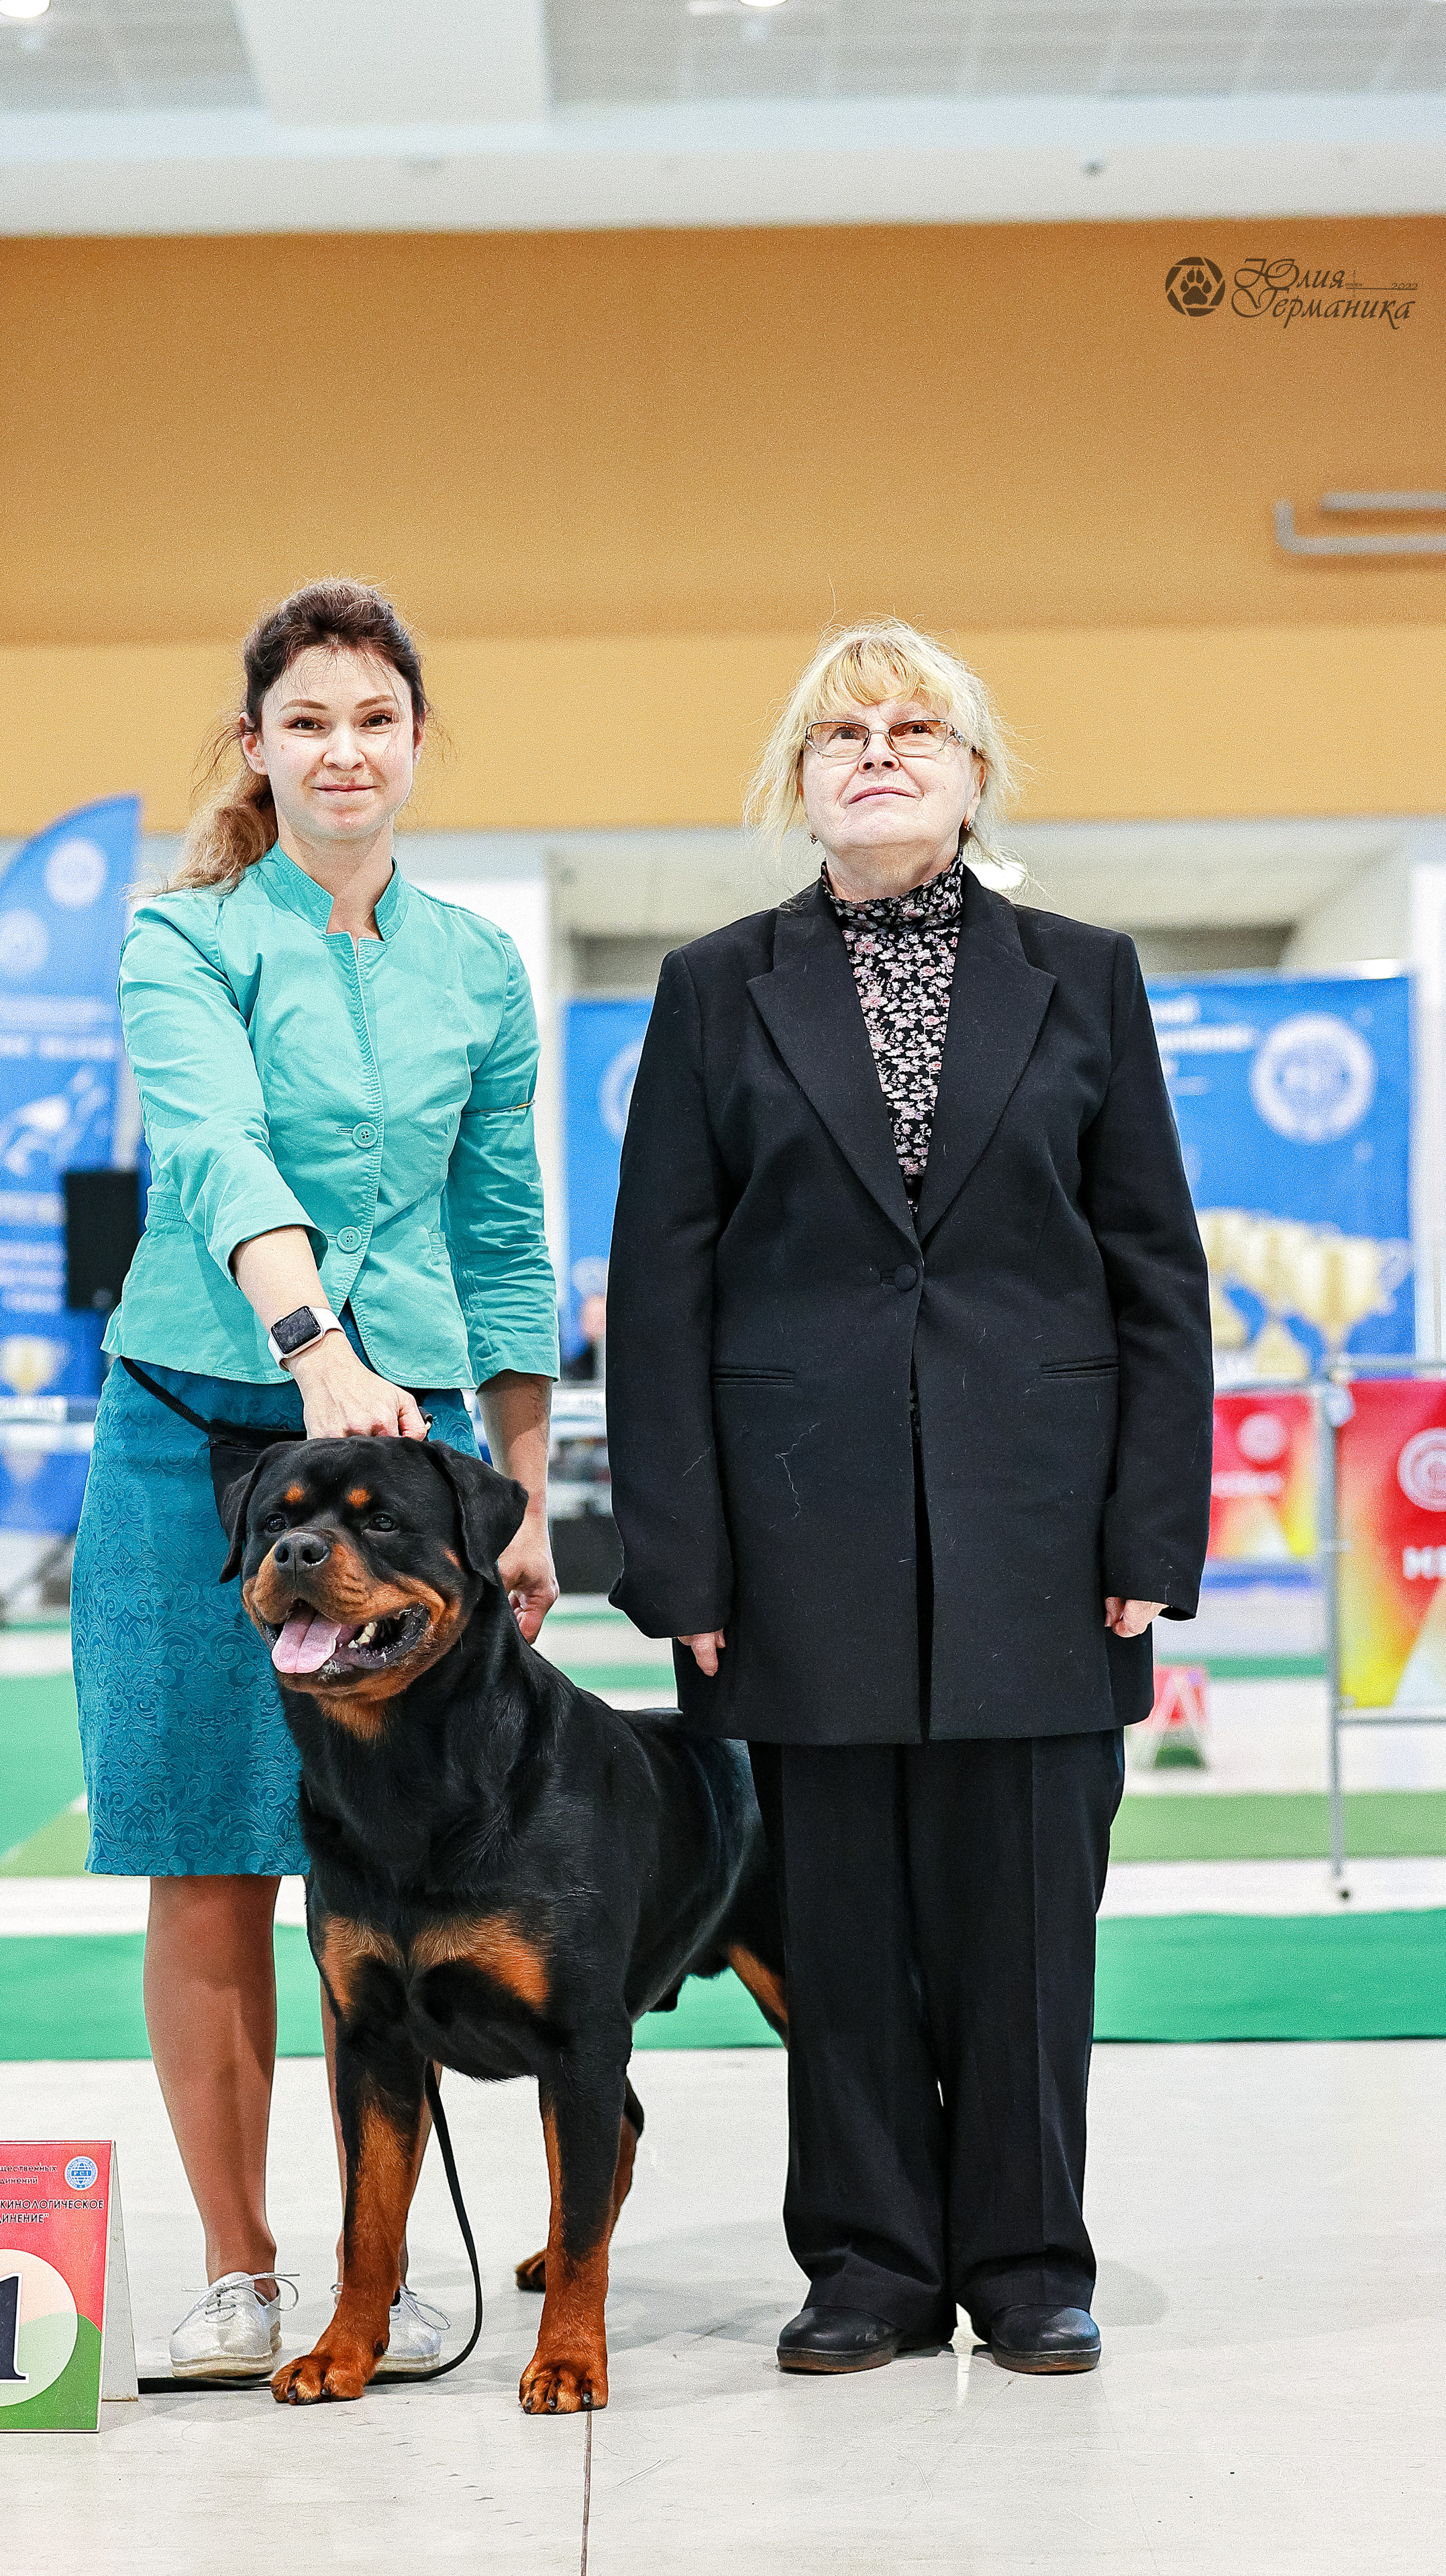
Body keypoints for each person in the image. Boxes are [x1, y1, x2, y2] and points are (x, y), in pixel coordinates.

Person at [605, 619, 1212, 2379]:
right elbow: (665, 1290)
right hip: (797, 1537)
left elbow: (1154, 1271)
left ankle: (1028, 2256)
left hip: (1044, 1527)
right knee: (842, 1918)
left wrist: (1147, 1528)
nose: (878, 749)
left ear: (971, 774)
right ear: (798, 782)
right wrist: (682, 1554)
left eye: (915, 726)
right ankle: (868, 2257)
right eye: (841, 730)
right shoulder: (718, 987)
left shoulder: (1084, 977)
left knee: (1028, 1915)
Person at [72, 580, 559, 2381]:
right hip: (193, 1431)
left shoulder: (477, 970)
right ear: (259, 747)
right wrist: (310, 1344)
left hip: (410, 1469)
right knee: (206, 1857)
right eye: (310, 722)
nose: (345, 751)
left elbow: (504, 1234)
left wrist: (518, 1480)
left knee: (402, 1876)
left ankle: (382, 2262)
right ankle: (237, 2267)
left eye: (376, 719)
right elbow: (210, 1139)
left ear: (416, 744)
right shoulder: (183, 933)